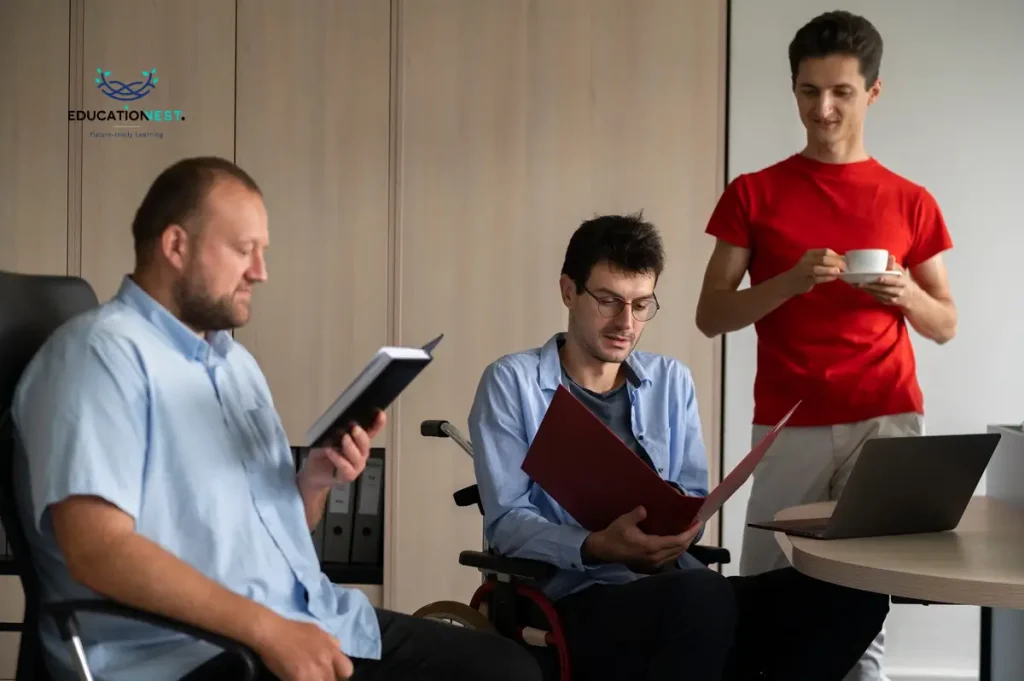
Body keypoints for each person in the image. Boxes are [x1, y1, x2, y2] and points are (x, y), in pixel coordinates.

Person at [11, 156, 541, 681]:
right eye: (244, 250)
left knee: (509, 668)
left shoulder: (234, 364)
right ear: (176, 246)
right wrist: (268, 631)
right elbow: (99, 550)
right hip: (196, 653)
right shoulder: (98, 357)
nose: (261, 272)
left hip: (304, 619)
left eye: (263, 251)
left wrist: (313, 483)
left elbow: (275, 534)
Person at [468, 213, 890, 681]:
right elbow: (506, 522)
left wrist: (681, 532)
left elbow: (692, 500)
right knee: (702, 597)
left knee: (853, 592)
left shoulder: (670, 381)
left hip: (679, 588)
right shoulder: (512, 382)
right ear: (569, 291)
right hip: (575, 599)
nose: (625, 322)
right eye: (608, 301)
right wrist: (596, 546)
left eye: (641, 304)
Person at [694, 10, 957, 681]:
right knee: (761, 591)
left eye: (841, 91)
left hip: (885, 414)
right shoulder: (754, 192)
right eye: (810, 91)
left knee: (867, 600)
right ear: (794, 90)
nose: (824, 108)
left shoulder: (911, 200)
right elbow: (710, 314)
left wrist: (903, 293)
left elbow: (945, 322)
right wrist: (787, 281)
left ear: (873, 92)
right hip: (790, 418)